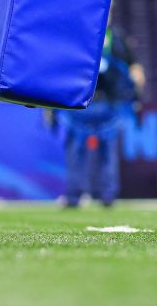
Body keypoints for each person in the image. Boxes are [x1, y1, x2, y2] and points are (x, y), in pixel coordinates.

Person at [59, 18, 144, 209]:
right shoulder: (81, 34)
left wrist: (135, 77)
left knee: (106, 151)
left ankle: (107, 195)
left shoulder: (116, 36)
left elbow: (135, 66)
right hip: (80, 104)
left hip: (107, 102)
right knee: (77, 150)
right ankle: (76, 196)